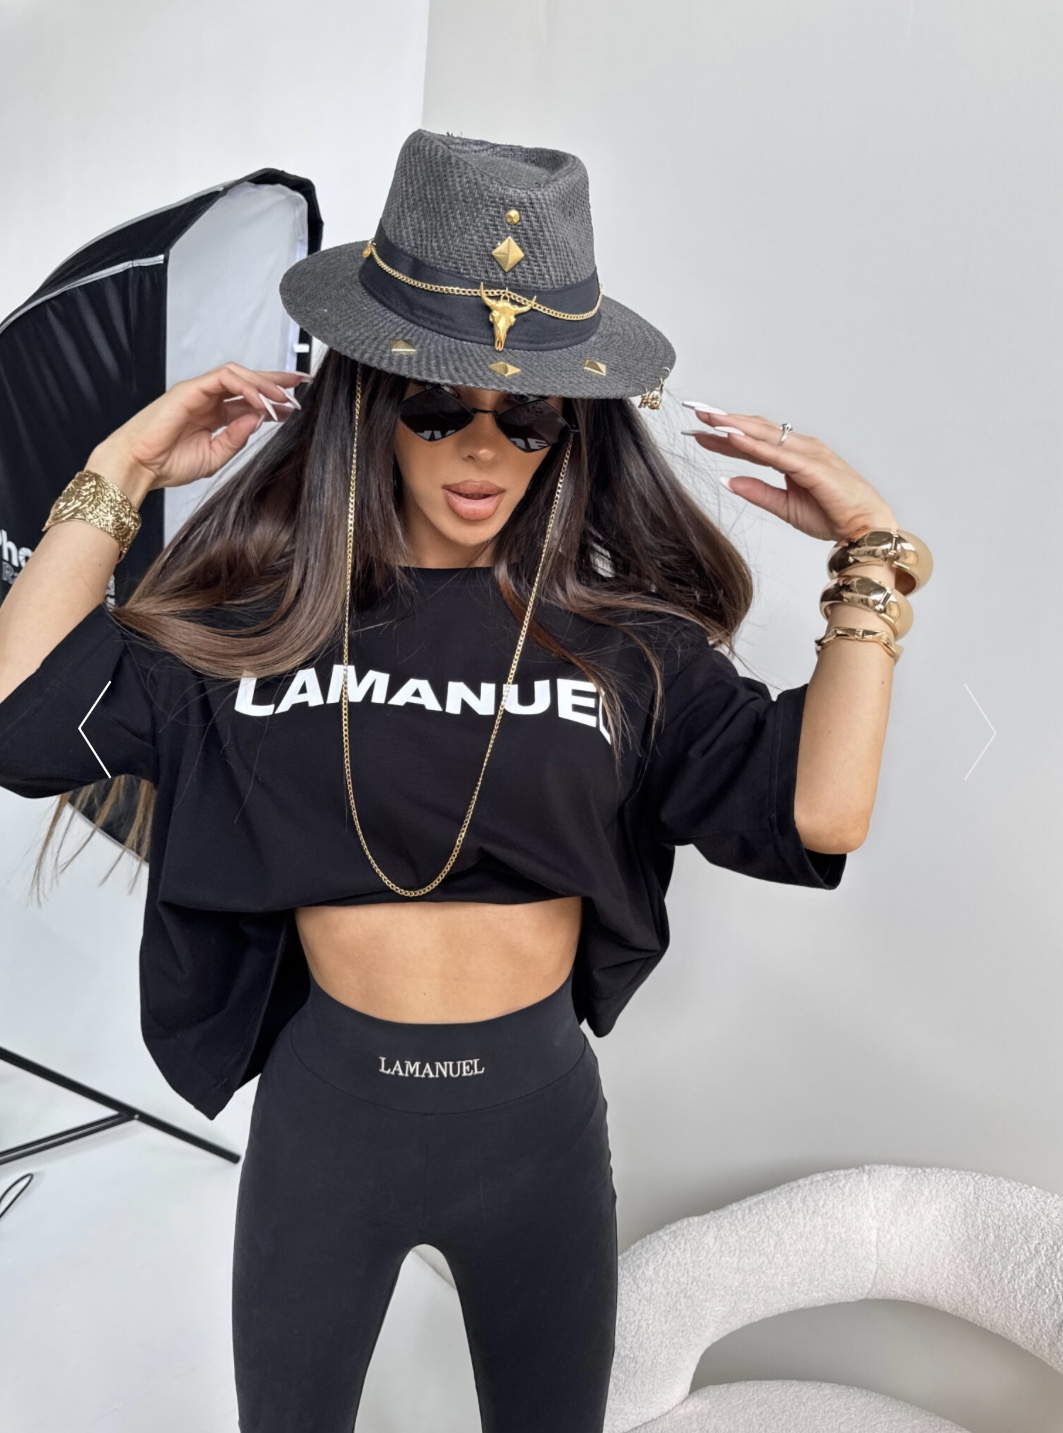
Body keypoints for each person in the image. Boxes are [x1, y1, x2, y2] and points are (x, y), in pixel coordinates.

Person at [0, 129, 930, 1432]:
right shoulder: (259, 628)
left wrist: (871, 563)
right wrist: (120, 472)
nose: (481, 451)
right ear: (372, 401)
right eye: (439, 406)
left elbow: (820, 811)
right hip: (326, 1120)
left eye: (527, 416)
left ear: (571, 428)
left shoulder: (631, 645)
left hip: (535, 1127)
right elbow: (20, 719)